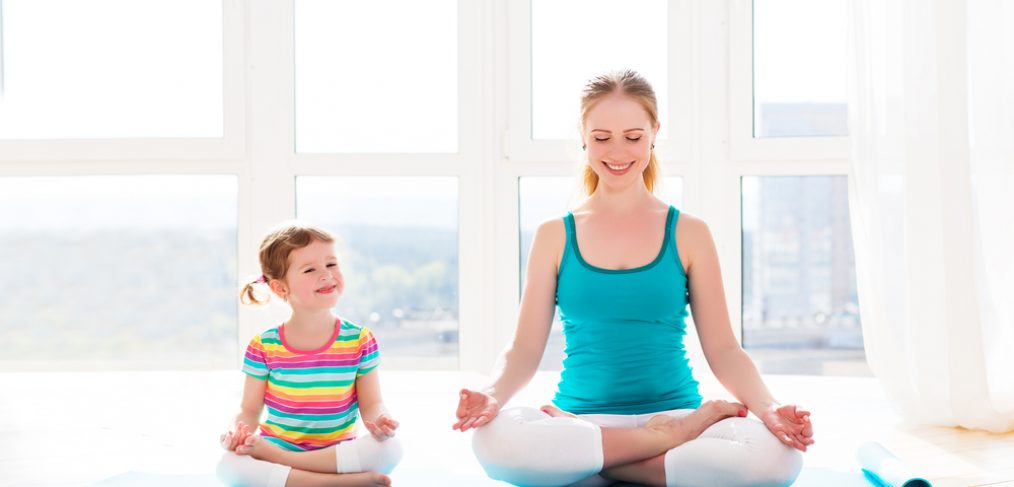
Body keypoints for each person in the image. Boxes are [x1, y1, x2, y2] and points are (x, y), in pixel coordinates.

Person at [453, 70, 813, 487]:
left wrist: (769, 408)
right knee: (494, 443)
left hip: (678, 415)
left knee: (777, 460)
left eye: (633, 136)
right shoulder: (555, 234)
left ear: (655, 132)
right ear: (583, 136)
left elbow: (724, 348)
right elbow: (524, 348)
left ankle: (605, 464)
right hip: (582, 423)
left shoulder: (688, 232)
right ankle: (651, 455)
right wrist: (491, 396)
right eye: (602, 137)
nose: (617, 151)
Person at [217, 223, 403, 487]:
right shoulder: (264, 345)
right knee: (229, 468)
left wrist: (380, 421)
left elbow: (372, 403)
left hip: (336, 450)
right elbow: (248, 409)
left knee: (390, 449)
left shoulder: (359, 339)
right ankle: (338, 483)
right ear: (281, 289)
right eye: (310, 269)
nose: (326, 275)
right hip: (280, 443)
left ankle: (293, 472)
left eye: (331, 264)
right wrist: (236, 431)